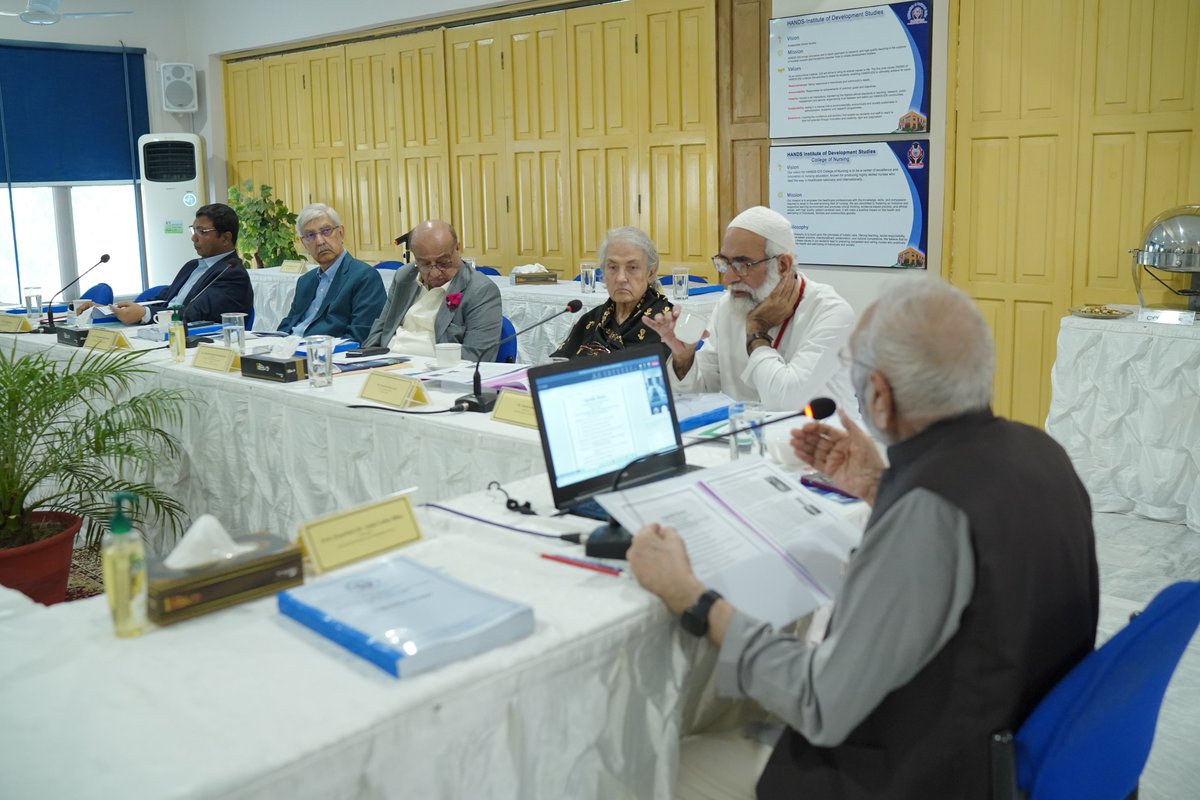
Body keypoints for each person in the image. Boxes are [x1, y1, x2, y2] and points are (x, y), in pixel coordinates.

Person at [629, 277, 1099, 799]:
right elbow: (975, 573)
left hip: (921, 772)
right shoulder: (1040, 452)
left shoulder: (930, 511)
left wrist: (691, 597)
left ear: (877, 396)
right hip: (1001, 733)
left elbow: (820, 701)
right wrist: (880, 486)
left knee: (660, 767)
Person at [644, 206, 857, 412]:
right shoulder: (728, 306)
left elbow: (785, 401)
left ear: (782, 265)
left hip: (820, 442)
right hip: (744, 437)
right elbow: (702, 393)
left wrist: (757, 331)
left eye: (742, 265)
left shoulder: (830, 312)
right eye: (724, 263)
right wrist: (684, 359)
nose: (727, 278)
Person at [77, 203, 253, 325]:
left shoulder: (232, 273)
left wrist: (145, 314)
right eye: (193, 230)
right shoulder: (192, 266)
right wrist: (112, 309)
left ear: (226, 238)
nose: (193, 237)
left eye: (202, 232)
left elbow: (194, 314)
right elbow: (163, 300)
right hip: (164, 333)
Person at [363, 220, 502, 361]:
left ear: (458, 249)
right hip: (387, 365)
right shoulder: (404, 276)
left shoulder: (480, 290)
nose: (435, 273)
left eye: (443, 263)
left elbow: (477, 358)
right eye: (425, 264)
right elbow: (379, 332)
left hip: (436, 372)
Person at [551, 226, 673, 358]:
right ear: (603, 271)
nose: (621, 278)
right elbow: (558, 364)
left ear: (651, 272)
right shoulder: (590, 320)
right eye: (613, 267)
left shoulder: (667, 324)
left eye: (632, 267)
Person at [277, 203, 386, 344]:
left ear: (340, 233)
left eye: (326, 231)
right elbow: (288, 324)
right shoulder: (305, 281)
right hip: (290, 351)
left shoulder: (365, 277)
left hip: (325, 356)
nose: (320, 241)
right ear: (304, 244)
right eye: (310, 235)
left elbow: (360, 336)